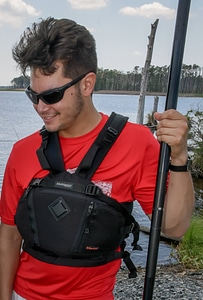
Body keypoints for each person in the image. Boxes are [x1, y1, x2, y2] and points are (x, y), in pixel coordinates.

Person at [0, 17, 194, 300]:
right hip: (23, 294)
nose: (41, 108)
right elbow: (9, 234)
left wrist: (178, 157)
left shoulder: (136, 144)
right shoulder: (22, 152)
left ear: (87, 84)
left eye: (52, 95)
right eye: (34, 95)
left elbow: (174, 228)